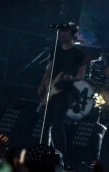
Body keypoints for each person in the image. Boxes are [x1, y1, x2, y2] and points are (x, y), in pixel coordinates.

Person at [37, 23, 87, 160]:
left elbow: (81, 75)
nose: (63, 34)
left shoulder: (78, 54)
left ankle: (60, 157)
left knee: (56, 124)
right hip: (50, 91)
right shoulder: (55, 50)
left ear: (72, 34)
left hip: (65, 93)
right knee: (44, 125)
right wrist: (42, 83)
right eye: (62, 31)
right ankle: (42, 154)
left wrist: (70, 78)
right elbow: (49, 68)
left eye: (66, 31)